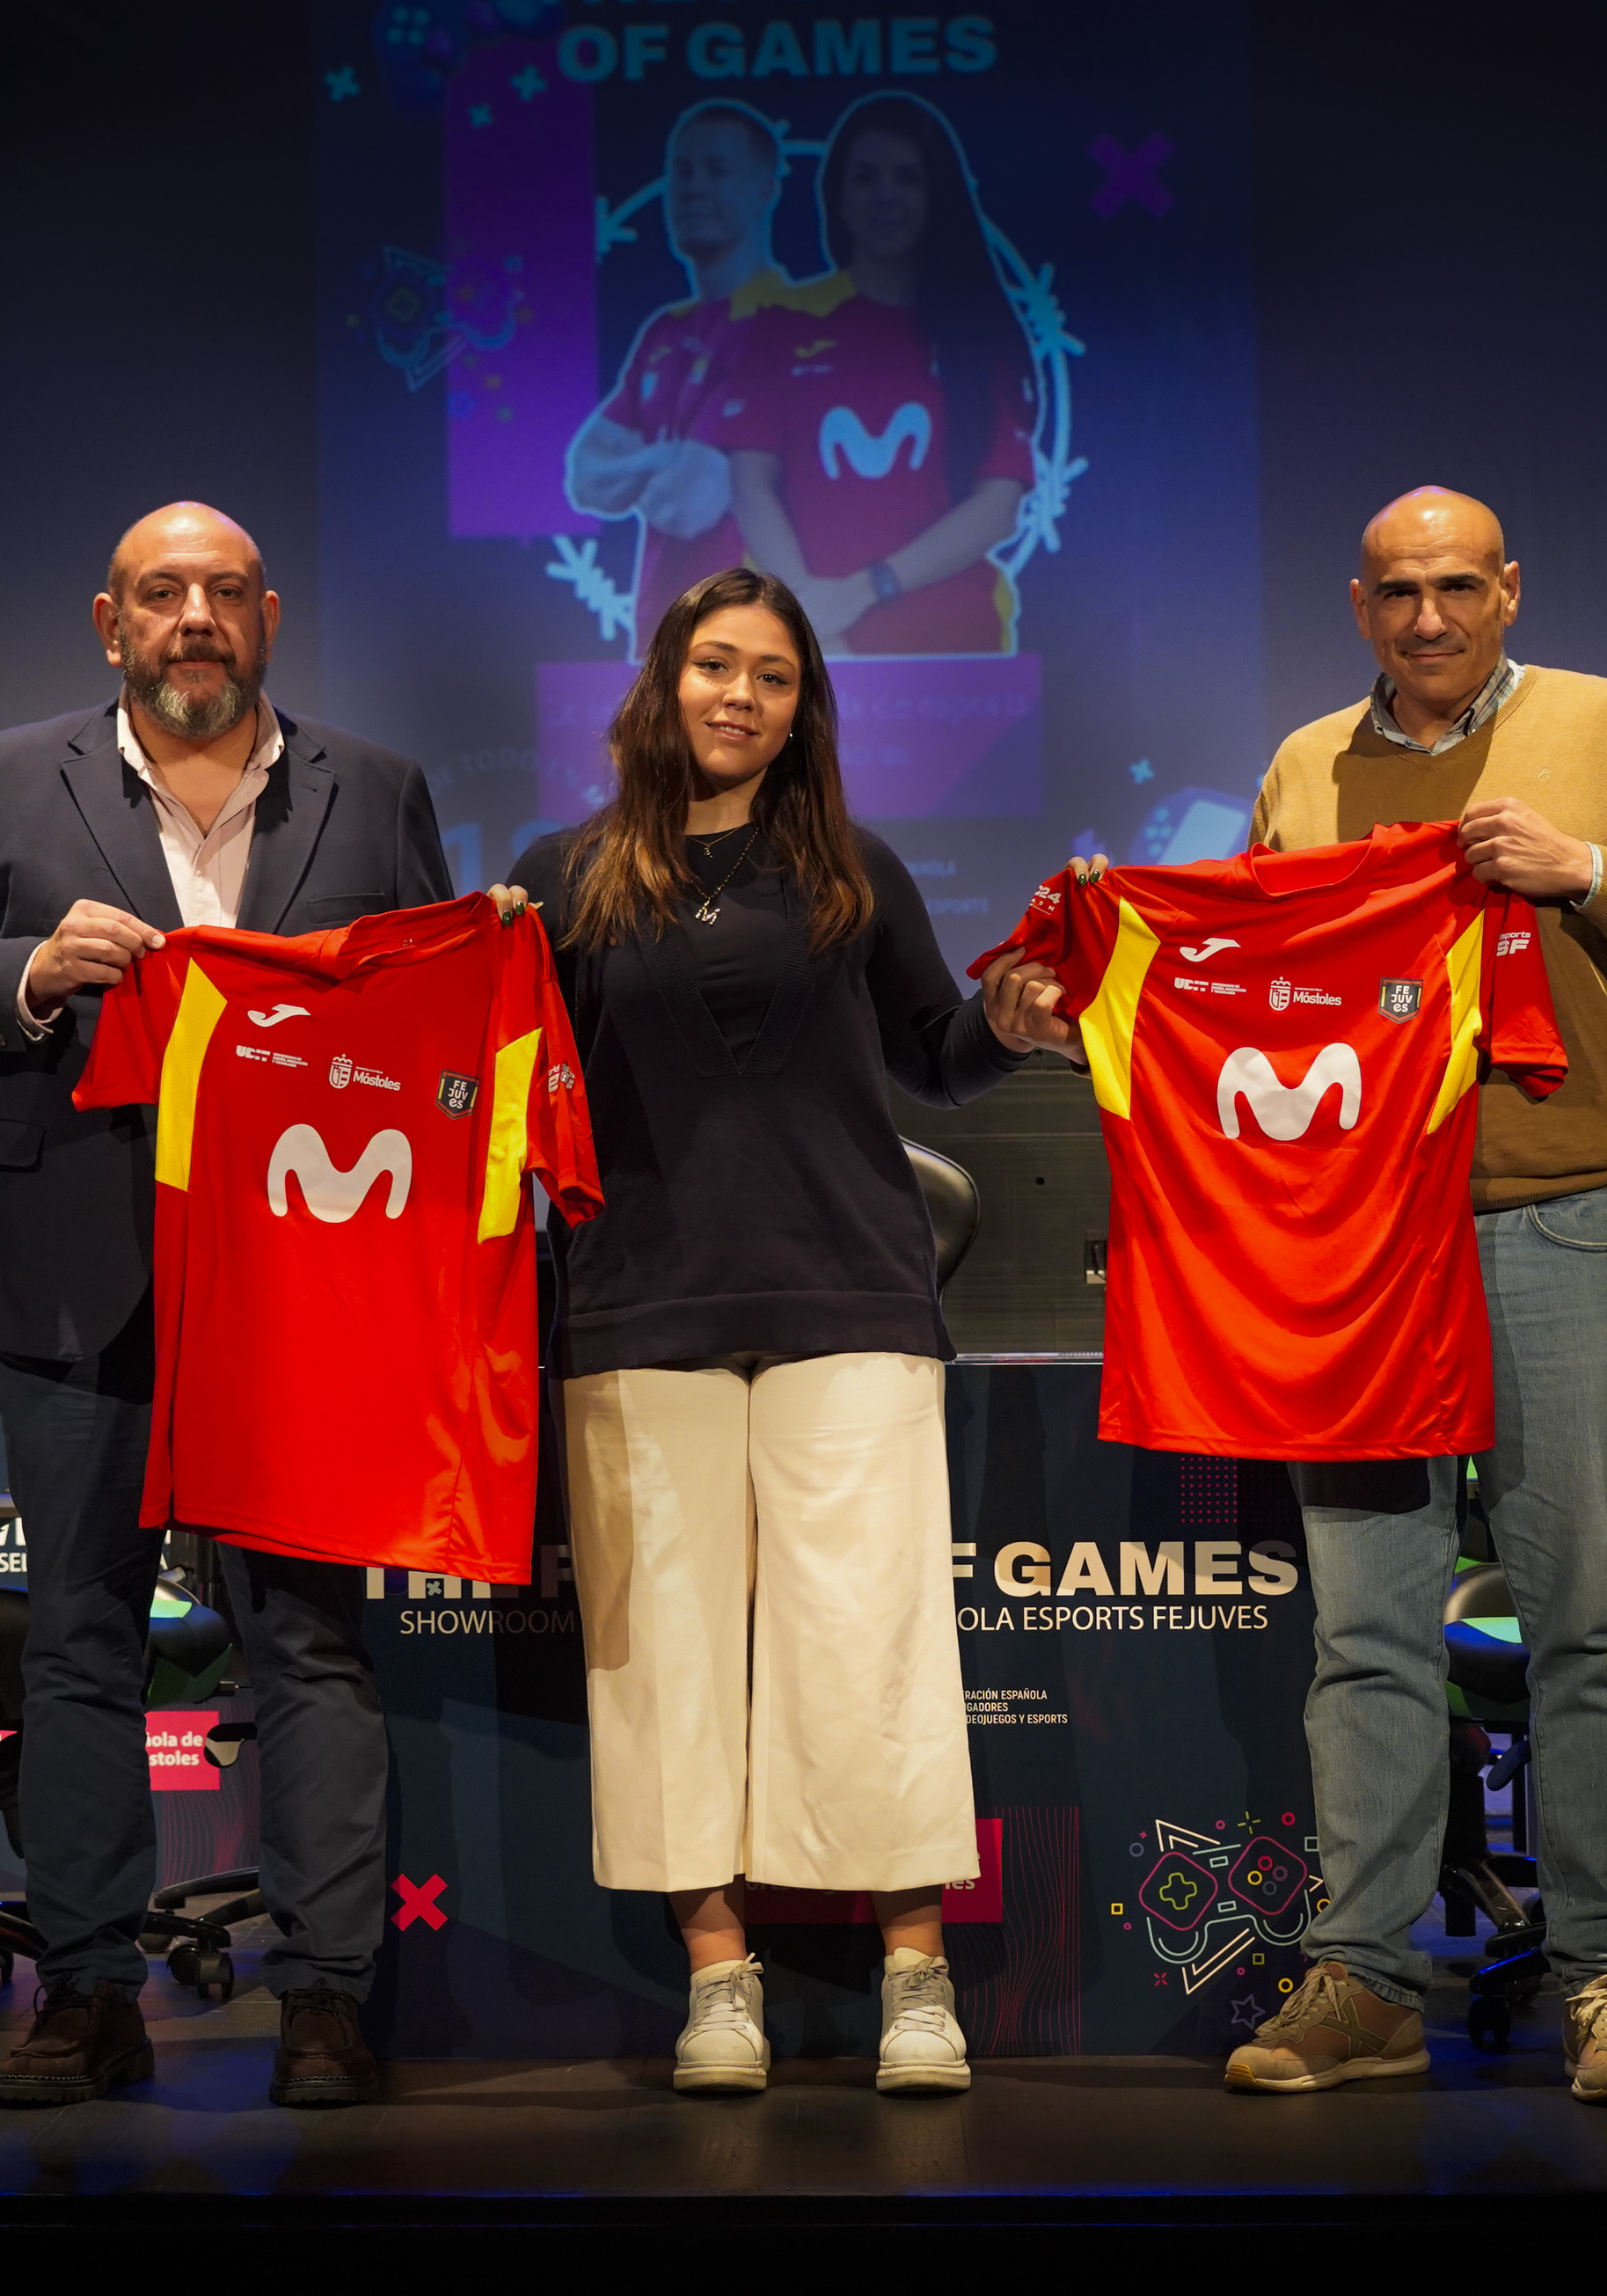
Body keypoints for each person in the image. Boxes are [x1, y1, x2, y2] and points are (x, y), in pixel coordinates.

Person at [0, 501, 453, 2112]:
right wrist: (29, 970)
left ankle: (326, 1997)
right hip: (73, 1272)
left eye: (224, 592)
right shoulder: (6, 777)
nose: (196, 616)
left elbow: (431, 1017)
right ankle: (87, 1992)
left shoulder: (377, 789)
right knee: (81, 1641)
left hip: (302, 1289)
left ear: (270, 617)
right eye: (162, 592)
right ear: (109, 622)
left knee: (308, 1645)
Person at [1211, 486, 1607, 2106]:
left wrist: (1589, 870)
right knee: (1366, 1630)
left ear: (1510, 589)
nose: (1429, 617)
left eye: (1459, 585)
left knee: (1586, 1621)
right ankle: (1368, 1977)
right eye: (1399, 591)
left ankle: (1605, 1972)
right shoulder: (1305, 766)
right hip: (1357, 1250)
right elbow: (1260, 989)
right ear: (1359, 605)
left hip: (1562, 1223)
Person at [501, 567, 1074, 2095]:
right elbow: (500, 1087)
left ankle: (915, 1975)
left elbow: (936, 1052)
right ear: (663, 682)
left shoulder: (851, 867)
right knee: (665, 1663)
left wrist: (1010, 1024)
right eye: (715, 665)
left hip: (848, 1298)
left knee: (869, 1647)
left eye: (772, 674)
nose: (740, 695)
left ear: (803, 705)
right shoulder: (561, 878)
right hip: (637, 1305)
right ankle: (718, 1977)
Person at [717, 93, 1035, 656]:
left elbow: (997, 507)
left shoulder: (978, 332)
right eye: (866, 177)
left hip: (957, 647)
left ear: (936, 195)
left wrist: (866, 590)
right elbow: (750, 484)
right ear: (838, 196)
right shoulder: (781, 325)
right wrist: (808, 620)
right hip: (815, 648)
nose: (886, 195)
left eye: (908, 178)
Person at [564, 100, 792, 650]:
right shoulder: (664, 332)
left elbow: (690, 504)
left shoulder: (788, 324)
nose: (693, 188)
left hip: (748, 636)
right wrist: (665, 460)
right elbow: (585, 476)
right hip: (658, 639)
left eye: (717, 170)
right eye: (682, 172)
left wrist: (639, 467)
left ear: (765, 190)